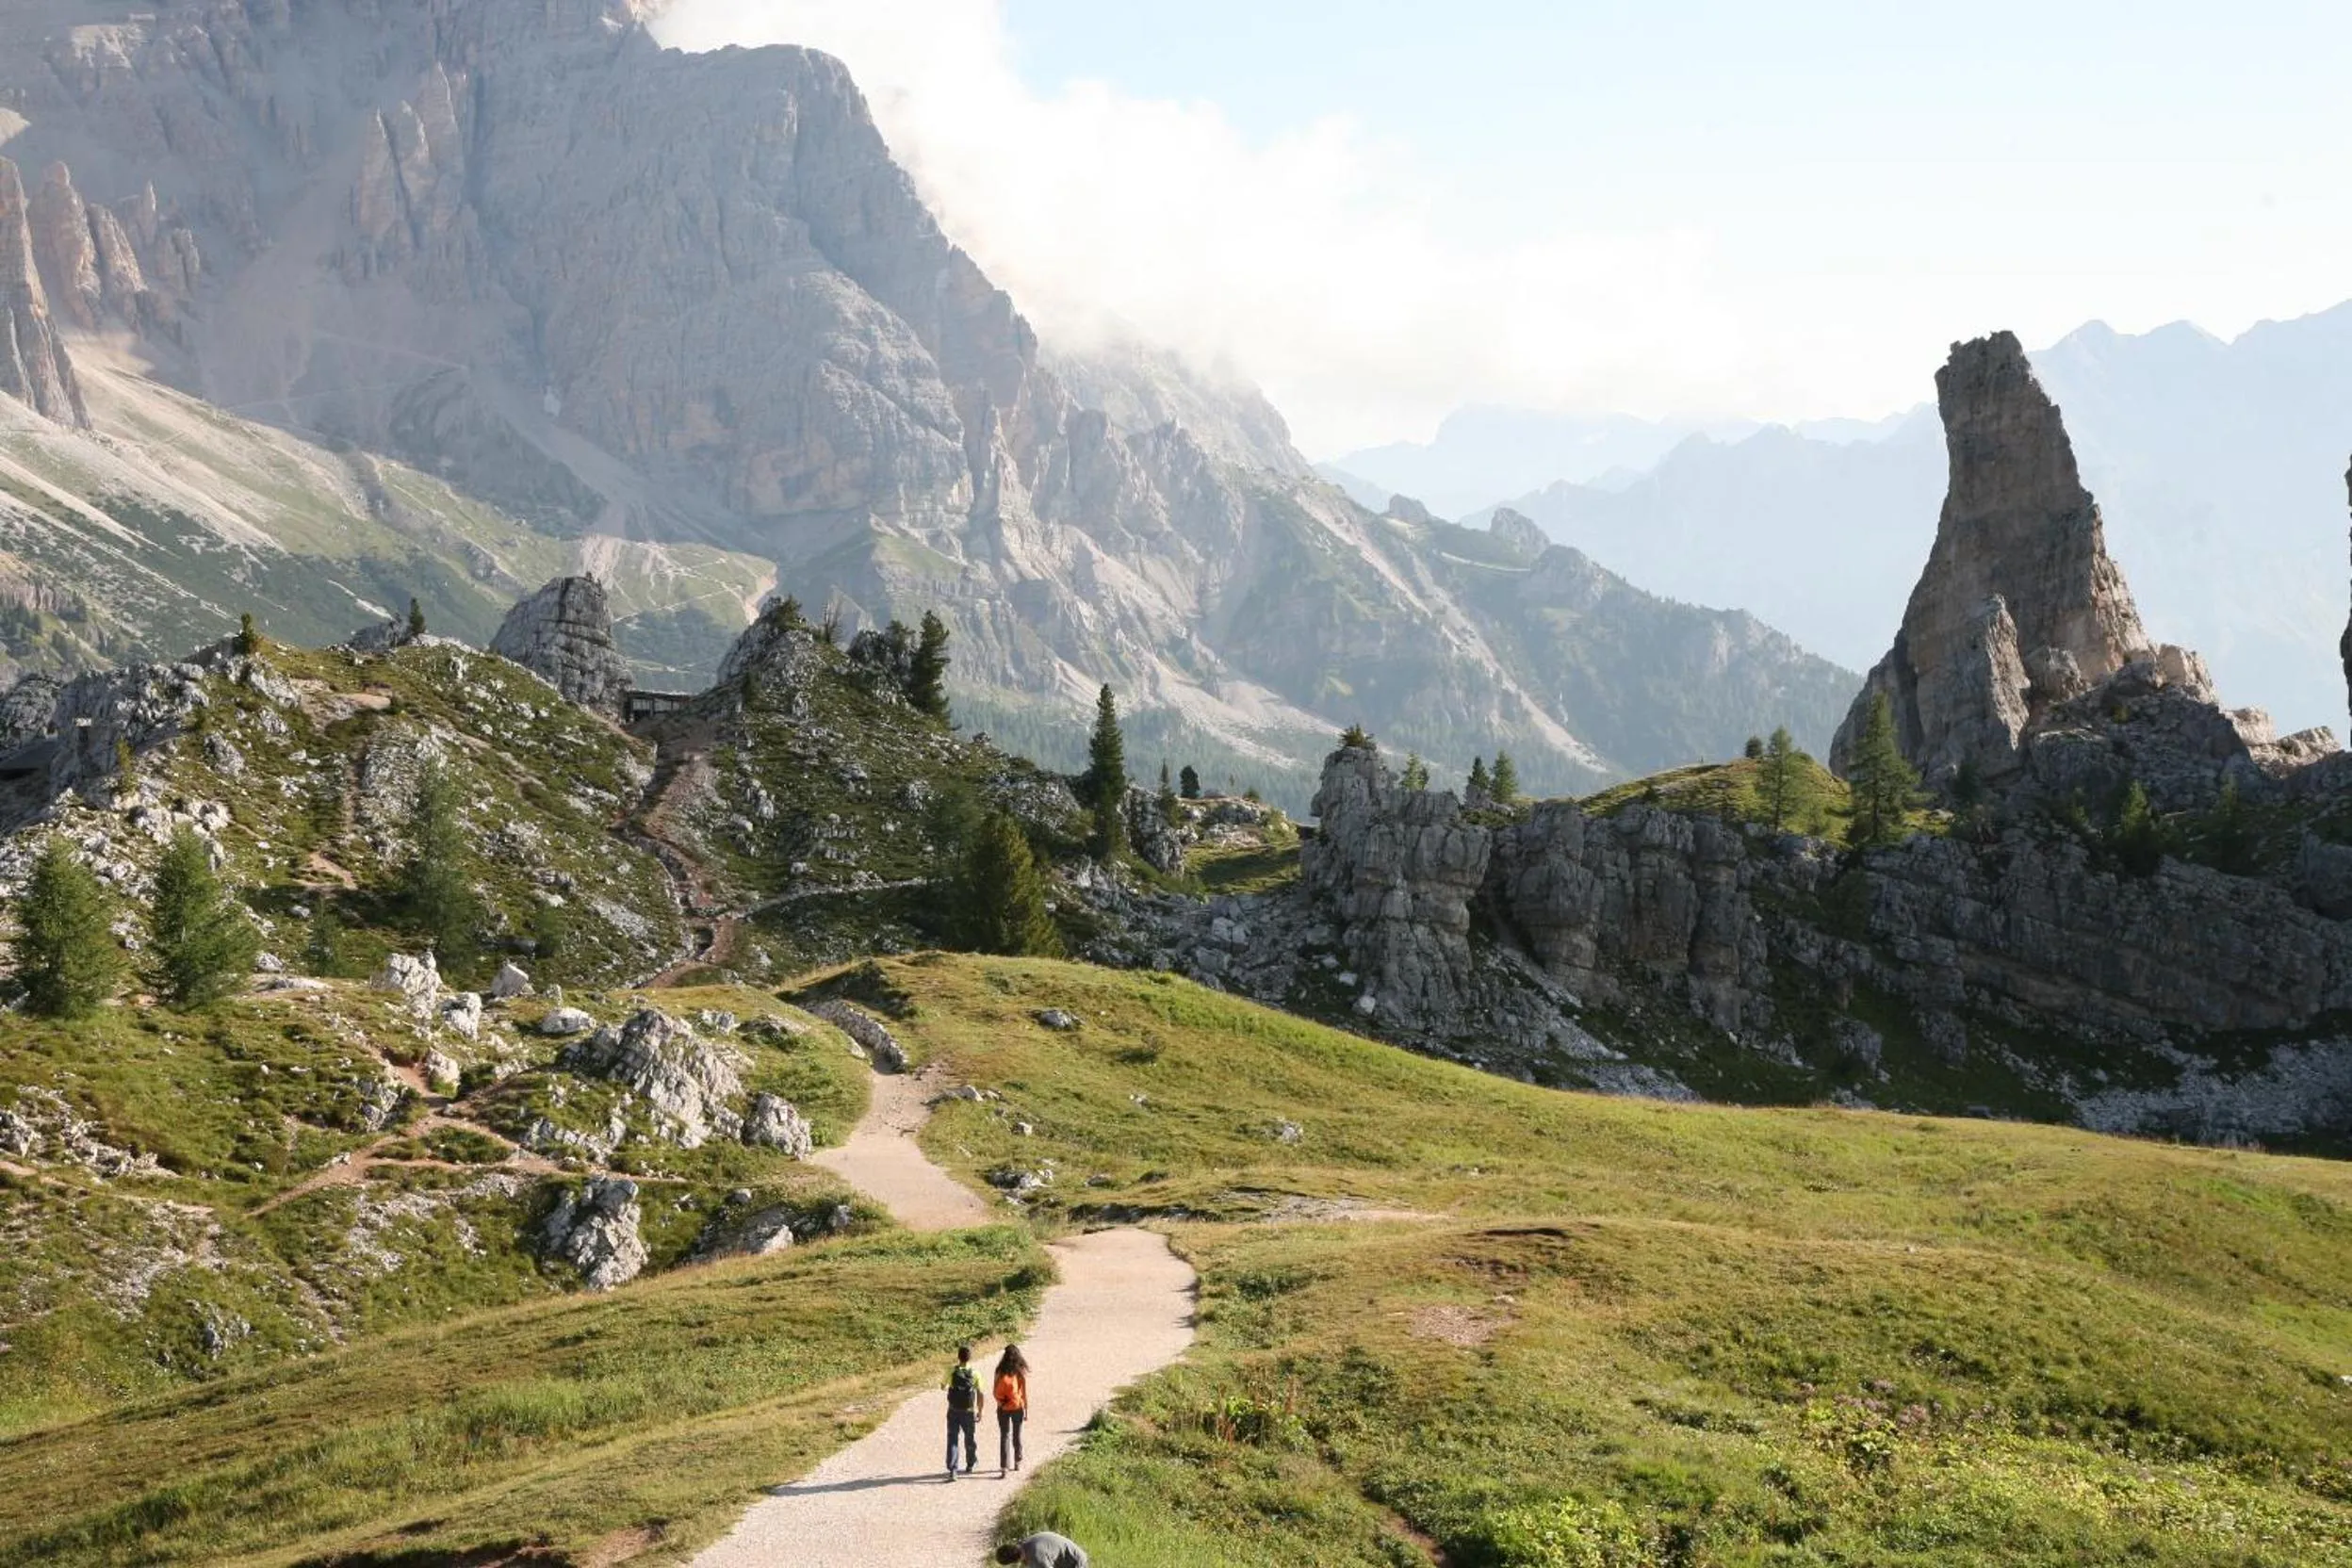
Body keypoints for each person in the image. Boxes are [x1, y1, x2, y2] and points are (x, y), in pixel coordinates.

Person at [944, 1343, 983, 1479]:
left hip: (953, 1410)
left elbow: (943, 1386)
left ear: (958, 1357)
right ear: (969, 1357)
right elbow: (980, 1393)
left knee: (952, 1439)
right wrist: (980, 1411)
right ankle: (971, 1463)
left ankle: (953, 1470)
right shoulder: (975, 1373)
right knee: (969, 1437)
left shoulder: (951, 1371)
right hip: (968, 1411)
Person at [992, 1343, 1031, 1477]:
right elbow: (1023, 1392)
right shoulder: (1020, 1371)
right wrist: (1026, 1408)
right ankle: (1017, 1461)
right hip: (1017, 1406)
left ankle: (1004, 1467)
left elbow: (994, 1390)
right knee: (1017, 1434)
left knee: (1004, 1435)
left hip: (1002, 1407)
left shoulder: (999, 1370)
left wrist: (1001, 1404)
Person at [997, 1533, 1088, 1568]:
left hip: (1076, 1563)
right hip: (1070, 1556)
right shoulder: (1025, 1543)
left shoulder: (1036, 1556)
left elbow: (1039, 1561)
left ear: (1014, 1561)